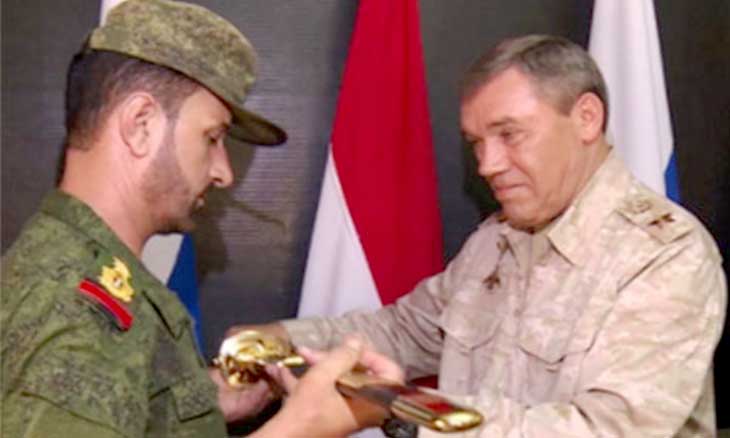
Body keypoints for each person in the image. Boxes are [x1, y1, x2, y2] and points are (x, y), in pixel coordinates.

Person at [235, 35, 727, 437]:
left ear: (586, 118)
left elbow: (608, 430)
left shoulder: (664, 255)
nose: (487, 165)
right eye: (476, 143)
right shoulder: (495, 241)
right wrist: (277, 341)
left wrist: (409, 414)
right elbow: (404, 331)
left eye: (509, 134)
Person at [0, 0, 402, 437]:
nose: (224, 172)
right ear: (140, 125)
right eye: (212, 138)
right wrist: (301, 428)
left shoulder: (87, 274)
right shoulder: (76, 305)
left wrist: (192, 407)